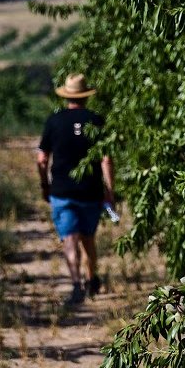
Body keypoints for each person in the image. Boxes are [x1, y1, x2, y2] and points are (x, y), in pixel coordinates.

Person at [37, 73, 115, 305]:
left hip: (62, 191)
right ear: (86, 96)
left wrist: (44, 184)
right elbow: (106, 159)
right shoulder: (96, 121)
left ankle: (76, 284)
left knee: (70, 239)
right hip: (91, 191)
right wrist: (110, 190)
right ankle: (92, 279)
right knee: (88, 238)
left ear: (66, 96)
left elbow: (42, 159)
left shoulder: (54, 121)